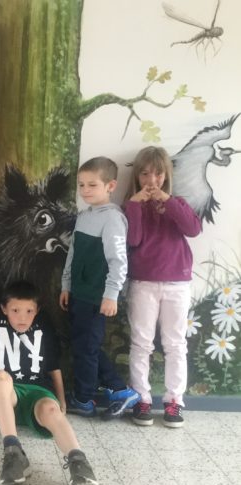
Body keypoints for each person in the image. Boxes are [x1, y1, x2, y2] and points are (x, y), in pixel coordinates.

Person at [0, 281, 99, 485]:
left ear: (37, 310)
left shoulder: (43, 325)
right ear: (4, 309)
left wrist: (61, 400)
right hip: (8, 393)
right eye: (15, 310)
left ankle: (79, 462)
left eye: (29, 311)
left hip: (38, 391)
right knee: (0, 377)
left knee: (51, 409)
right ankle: (13, 453)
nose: (22, 317)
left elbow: (53, 366)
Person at [124, 146, 202, 428]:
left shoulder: (177, 202)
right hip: (143, 282)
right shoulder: (131, 205)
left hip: (177, 283)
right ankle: (141, 398)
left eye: (157, 174)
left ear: (166, 175)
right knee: (141, 343)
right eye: (145, 174)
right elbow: (133, 240)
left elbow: (193, 229)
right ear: (137, 176)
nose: (151, 180)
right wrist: (134, 205)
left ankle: (174, 401)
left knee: (175, 344)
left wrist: (167, 201)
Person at [59, 157, 139, 419]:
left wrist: (111, 295)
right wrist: (66, 285)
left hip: (97, 297)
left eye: (92, 184)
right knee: (85, 346)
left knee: (86, 348)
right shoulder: (84, 217)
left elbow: (118, 261)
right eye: (81, 185)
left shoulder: (113, 219)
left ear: (110, 186)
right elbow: (73, 253)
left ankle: (84, 399)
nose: (85, 190)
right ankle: (120, 390)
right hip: (79, 294)